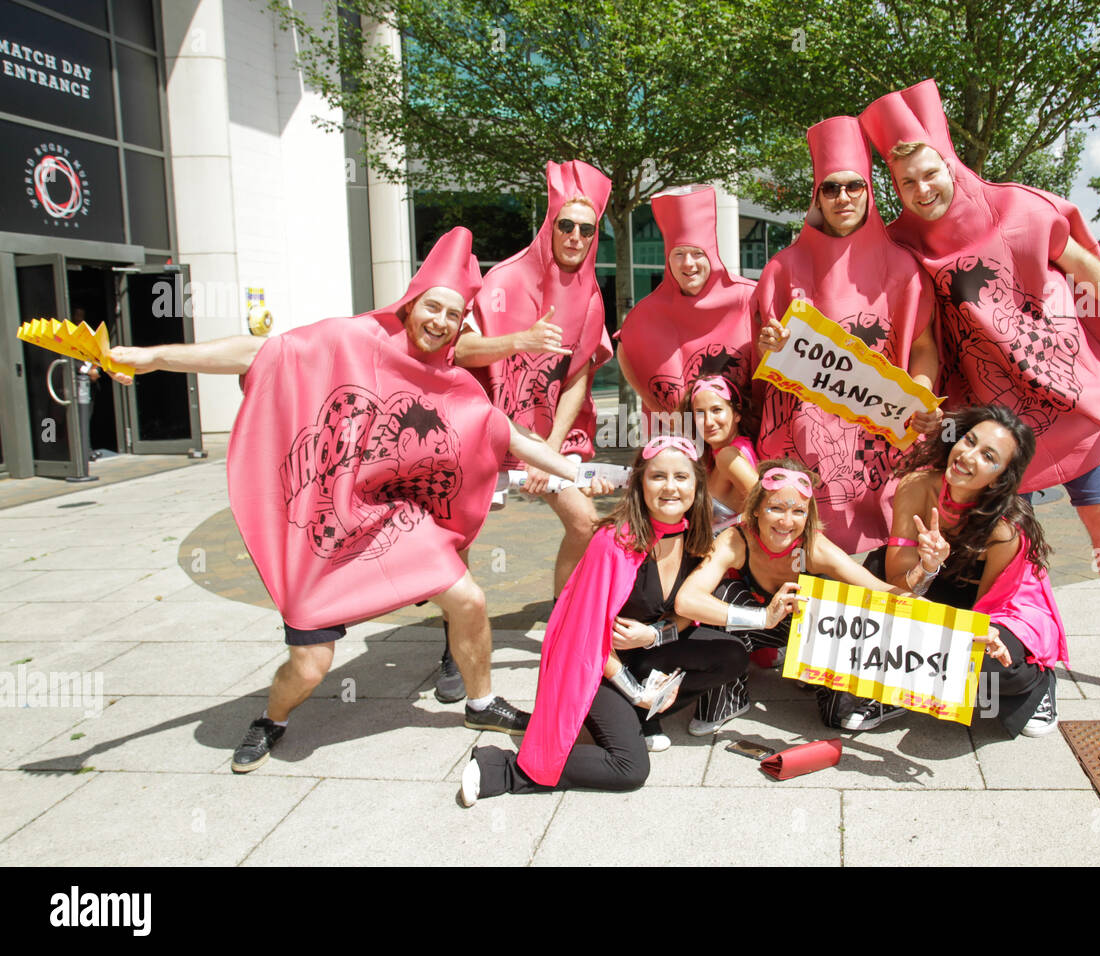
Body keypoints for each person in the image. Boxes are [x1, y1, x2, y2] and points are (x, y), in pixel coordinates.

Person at [108, 229, 587, 772]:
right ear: (410, 306)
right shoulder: (348, 340)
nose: (441, 321)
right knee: (310, 666)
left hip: (394, 523)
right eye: (433, 307)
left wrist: (573, 473)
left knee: (470, 600)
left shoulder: (452, 384)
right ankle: (273, 718)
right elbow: (254, 351)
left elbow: (512, 437)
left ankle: (480, 703)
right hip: (324, 524)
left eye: (454, 315)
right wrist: (153, 357)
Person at [861, 79, 1100, 716]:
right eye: (906, 185)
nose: (922, 192)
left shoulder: (1023, 207)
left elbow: (1088, 270)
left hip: (1073, 399)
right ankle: (1026, 657)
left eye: (930, 174)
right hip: (997, 428)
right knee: (1005, 544)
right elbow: (920, 333)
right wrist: (917, 394)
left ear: (949, 162)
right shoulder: (904, 244)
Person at [459, 436, 749, 804]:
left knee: (731, 655)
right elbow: (584, 636)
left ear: (697, 484)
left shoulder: (698, 536)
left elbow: (689, 612)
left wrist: (654, 635)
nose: (671, 487)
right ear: (640, 483)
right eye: (658, 477)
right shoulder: (614, 541)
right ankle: (503, 768)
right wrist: (635, 690)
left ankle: (640, 718)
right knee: (629, 769)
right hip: (595, 665)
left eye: (681, 477)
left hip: (642, 651)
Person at [448, 160, 613, 703]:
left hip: (545, 439)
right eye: (566, 225)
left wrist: (545, 452)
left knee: (585, 521)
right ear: (549, 223)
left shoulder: (589, 296)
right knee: (458, 539)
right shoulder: (503, 281)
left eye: (586, 229)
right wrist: (519, 340)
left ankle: (564, 624)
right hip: (485, 433)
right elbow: (461, 348)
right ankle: (453, 644)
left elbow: (578, 379)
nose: (574, 237)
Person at [753, 115, 940, 556]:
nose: (842, 197)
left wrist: (923, 395)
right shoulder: (782, 267)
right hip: (805, 442)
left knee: (886, 559)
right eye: (830, 188)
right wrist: (768, 345)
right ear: (817, 196)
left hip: (881, 439)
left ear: (869, 191)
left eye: (853, 186)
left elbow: (923, 346)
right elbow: (761, 356)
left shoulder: (903, 267)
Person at [674, 458, 907, 734]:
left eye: (798, 511)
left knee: (840, 717)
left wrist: (948, 622)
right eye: (775, 508)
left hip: (815, 631)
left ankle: (875, 695)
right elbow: (687, 599)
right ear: (757, 508)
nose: (786, 521)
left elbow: (878, 589)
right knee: (723, 594)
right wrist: (762, 616)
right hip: (764, 625)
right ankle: (729, 698)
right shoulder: (737, 540)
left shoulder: (813, 546)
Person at [887, 405, 1069, 737]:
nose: (968, 456)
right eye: (968, 441)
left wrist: (956, 641)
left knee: (982, 665)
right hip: (941, 582)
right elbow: (894, 580)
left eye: (988, 457)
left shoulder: (1006, 528)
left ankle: (1037, 680)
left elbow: (988, 608)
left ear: (1002, 477)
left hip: (1003, 609)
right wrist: (927, 566)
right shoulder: (915, 486)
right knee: (873, 591)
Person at [618, 185, 758, 416]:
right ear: (668, 260)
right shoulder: (646, 312)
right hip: (678, 441)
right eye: (679, 254)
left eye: (697, 254)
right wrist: (651, 403)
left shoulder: (749, 297)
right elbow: (624, 348)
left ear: (712, 257)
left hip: (743, 439)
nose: (688, 264)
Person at [680, 374, 759, 533]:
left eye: (717, 410)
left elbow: (767, 506)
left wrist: (727, 531)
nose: (708, 421)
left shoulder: (729, 456)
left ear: (737, 413)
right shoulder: (714, 455)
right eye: (700, 413)